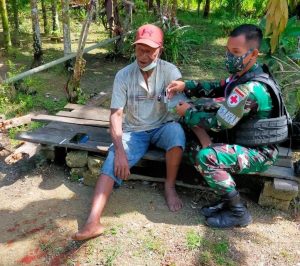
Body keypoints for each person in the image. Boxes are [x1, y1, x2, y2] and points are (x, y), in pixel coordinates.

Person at [167, 24, 289, 229]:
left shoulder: (249, 89)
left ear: (253, 54)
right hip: (242, 140)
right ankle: (226, 197)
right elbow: (219, 86)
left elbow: (217, 124)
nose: (229, 57)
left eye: (235, 52)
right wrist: (186, 86)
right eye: (227, 50)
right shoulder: (242, 75)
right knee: (190, 143)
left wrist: (187, 112)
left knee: (206, 157)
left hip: (260, 153)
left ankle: (238, 211)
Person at [73, 24, 186, 241]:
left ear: (159, 50)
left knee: (177, 135)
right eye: (139, 49)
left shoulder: (170, 71)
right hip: (134, 131)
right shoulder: (123, 75)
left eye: (149, 50)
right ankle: (92, 221)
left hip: (163, 125)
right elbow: (116, 115)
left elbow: (178, 103)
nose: (143, 55)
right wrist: (121, 152)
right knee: (113, 158)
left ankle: (169, 186)